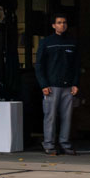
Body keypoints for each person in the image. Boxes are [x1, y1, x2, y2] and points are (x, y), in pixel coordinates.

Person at [35, 13, 80, 155]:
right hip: (51, 86)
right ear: (53, 25)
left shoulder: (72, 42)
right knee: (50, 116)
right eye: (59, 22)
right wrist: (43, 84)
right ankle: (49, 144)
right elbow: (39, 65)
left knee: (67, 117)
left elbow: (76, 65)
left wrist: (75, 83)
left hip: (68, 86)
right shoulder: (46, 42)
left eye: (64, 22)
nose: (62, 25)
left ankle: (64, 143)